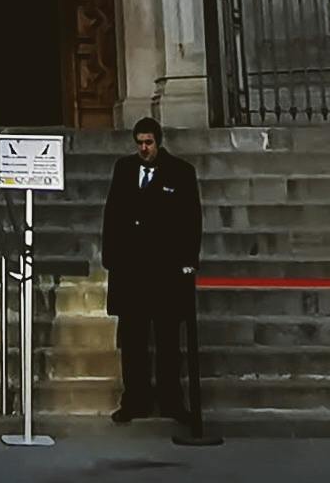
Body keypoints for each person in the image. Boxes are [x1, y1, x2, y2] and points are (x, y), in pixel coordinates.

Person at [101, 114, 205, 426]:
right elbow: (113, 213)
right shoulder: (124, 169)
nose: (144, 148)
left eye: (148, 142)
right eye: (139, 143)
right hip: (131, 271)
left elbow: (191, 220)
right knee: (132, 341)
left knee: (167, 341)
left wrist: (189, 262)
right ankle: (134, 400)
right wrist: (111, 258)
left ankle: (172, 401)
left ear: (158, 142)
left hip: (165, 272)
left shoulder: (181, 173)